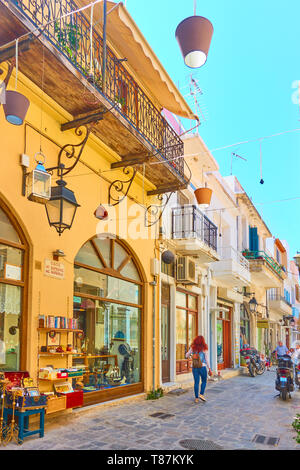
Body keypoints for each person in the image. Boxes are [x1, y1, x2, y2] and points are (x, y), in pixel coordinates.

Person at [186, 335, 212, 403]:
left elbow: (186, 355)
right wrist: (209, 368)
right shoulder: (204, 348)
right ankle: (201, 394)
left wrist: (191, 355)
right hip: (202, 367)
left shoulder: (193, 347)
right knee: (204, 381)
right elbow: (206, 359)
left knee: (196, 382)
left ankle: (196, 398)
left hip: (195, 367)